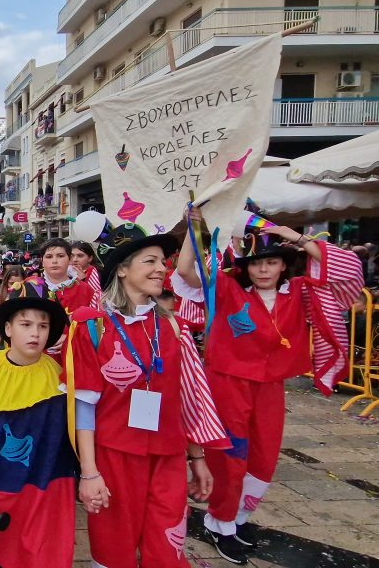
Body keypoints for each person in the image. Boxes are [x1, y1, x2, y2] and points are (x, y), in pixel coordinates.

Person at [175, 209, 363, 565]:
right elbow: (187, 271)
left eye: (271, 262)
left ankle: (240, 517)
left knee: (264, 455)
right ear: (245, 267)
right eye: (256, 263)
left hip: (271, 386)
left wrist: (287, 233)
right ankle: (221, 523)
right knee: (230, 456)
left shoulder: (301, 292)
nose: (263, 269)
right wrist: (193, 226)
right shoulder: (228, 288)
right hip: (228, 382)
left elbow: (347, 268)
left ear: (282, 265)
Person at [67, 223, 228, 568]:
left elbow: (186, 398)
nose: (161, 269)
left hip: (168, 456)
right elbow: (83, 406)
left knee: (167, 547)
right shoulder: (92, 327)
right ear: (122, 269)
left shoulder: (174, 326)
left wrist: (197, 458)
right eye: (150, 261)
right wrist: (89, 472)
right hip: (114, 455)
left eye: (162, 262)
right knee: (113, 548)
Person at [0, 280, 76, 568]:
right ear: (8, 329)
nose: (35, 333)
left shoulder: (61, 380)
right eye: (26, 324)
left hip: (45, 491)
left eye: (43, 326)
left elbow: (67, 442)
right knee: (4, 557)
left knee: (43, 555)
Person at [38, 238, 98, 360]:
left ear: (70, 259)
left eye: (60, 256)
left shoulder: (86, 290)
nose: (54, 261)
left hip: (76, 357)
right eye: (49, 257)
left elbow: (98, 326)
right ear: (42, 261)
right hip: (39, 357)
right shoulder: (29, 288)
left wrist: (71, 337)